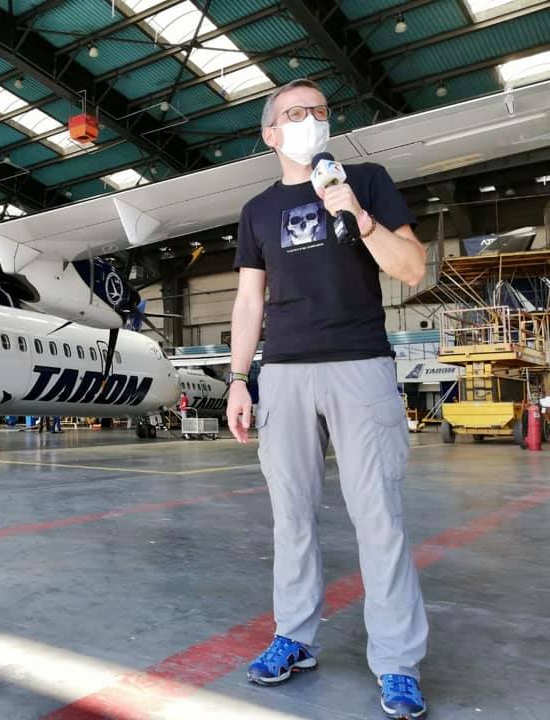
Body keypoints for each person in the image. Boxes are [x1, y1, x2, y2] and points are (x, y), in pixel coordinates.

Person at [226, 79, 429, 720]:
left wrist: (359, 217)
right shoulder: (257, 211)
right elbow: (249, 300)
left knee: (379, 520)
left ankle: (396, 662)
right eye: (294, 113)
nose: (309, 120)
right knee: (291, 516)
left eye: (318, 111)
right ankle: (295, 636)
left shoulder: (365, 181)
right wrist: (238, 378)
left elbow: (412, 268)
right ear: (270, 133)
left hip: (360, 364)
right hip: (285, 372)